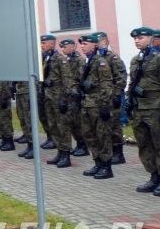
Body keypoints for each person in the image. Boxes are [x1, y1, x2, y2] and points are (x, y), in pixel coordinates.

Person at [126, 28, 160, 195]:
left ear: (151, 38)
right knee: (144, 144)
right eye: (135, 38)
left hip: (155, 108)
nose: (137, 41)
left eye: (140, 38)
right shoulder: (136, 59)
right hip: (139, 108)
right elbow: (132, 83)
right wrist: (128, 103)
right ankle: (154, 176)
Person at [78, 34, 115, 179]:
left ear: (94, 46)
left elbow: (107, 85)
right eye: (81, 44)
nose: (82, 46)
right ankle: (97, 162)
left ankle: (106, 166)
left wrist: (105, 106)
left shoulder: (101, 62)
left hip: (98, 104)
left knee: (102, 135)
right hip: (87, 104)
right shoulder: (85, 62)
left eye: (85, 44)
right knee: (89, 135)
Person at [96, 31, 128, 165]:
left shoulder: (112, 57)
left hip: (113, 96)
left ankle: (119, 153)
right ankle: (109, 151)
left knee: (114, 125)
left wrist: (117, 94)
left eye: (96, 41)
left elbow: (121, 77)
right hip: (101, 97)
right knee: (105, 126)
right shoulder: (96, 58)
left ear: (103, 42)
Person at [40, 35, 73, 167]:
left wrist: (65, 99)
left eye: (44, 43)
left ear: (52, 44)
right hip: (49, 97)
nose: (42, 45)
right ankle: (59, 151)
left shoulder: (60, 59)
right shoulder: (47, 58)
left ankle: (66, 154)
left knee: (62, 126)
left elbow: (67, 80)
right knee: (53, 125)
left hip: (59, 97)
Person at [64, 39, 88, 157]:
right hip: (68, 94)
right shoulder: (66, 60)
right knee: (71, 122)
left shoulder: (79, 60)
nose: (63, 49)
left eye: (65, 47)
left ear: (73, 47)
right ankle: (78, 144)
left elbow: (80, 78)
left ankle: (83, 145)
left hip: (76, 95)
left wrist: (77, 92)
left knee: (78, 122)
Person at [0, 81, 15, 151]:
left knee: (5, 119)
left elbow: (7, 83)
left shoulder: (3, 71)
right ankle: (3, 139)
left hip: (2, 95)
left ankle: (9, 141)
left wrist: (5, 96)